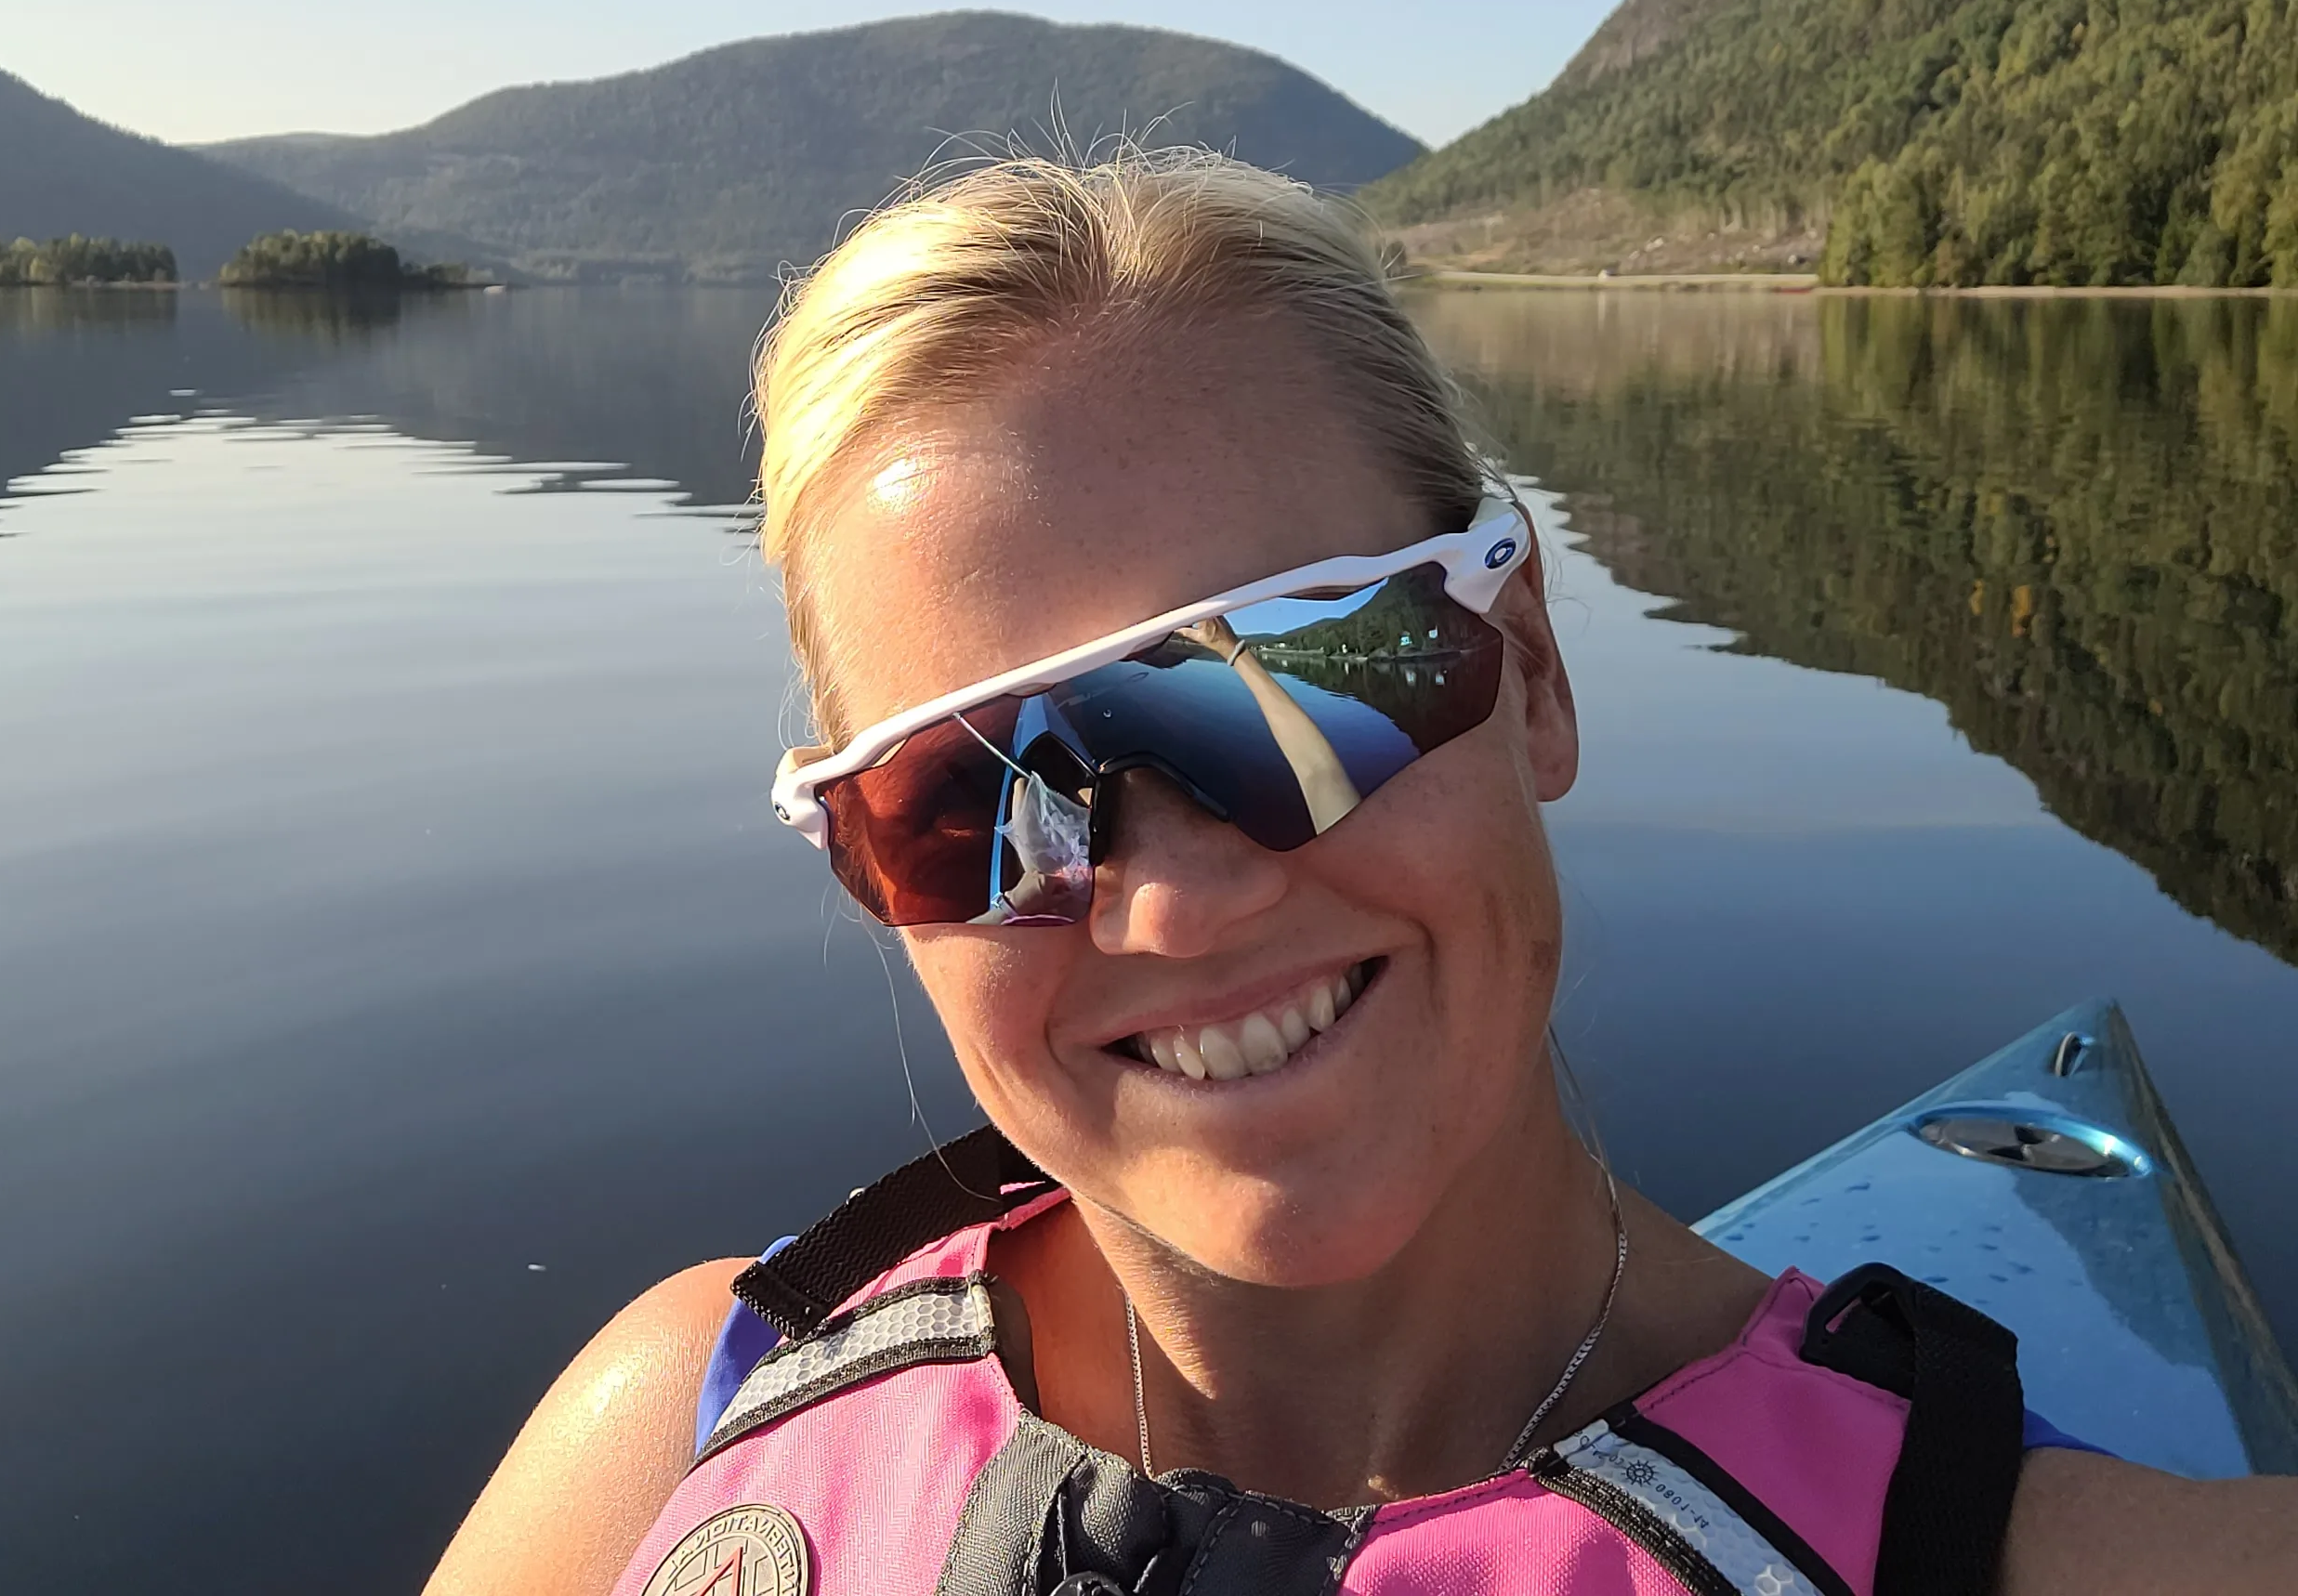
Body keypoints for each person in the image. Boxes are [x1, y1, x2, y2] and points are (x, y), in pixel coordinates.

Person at [427, 152, 2297, 1595]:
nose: (1172, 901)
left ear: (1533, 669)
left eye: (1292, 685)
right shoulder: (672, 1434)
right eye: (968, 799)